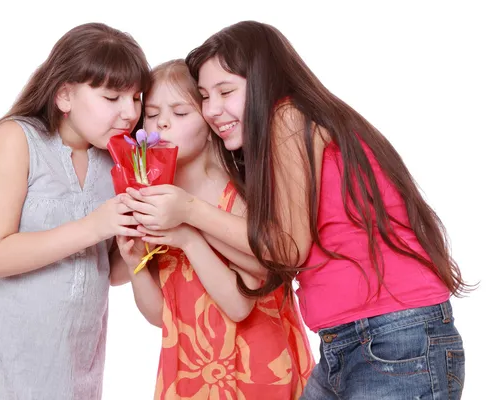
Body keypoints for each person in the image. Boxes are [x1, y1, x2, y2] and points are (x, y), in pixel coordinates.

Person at [123, 21, 468, 399]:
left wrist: (188, 210)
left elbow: (285, 249)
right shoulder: (278, 141)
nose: (213, 110)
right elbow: (271, 259)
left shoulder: (287, 117)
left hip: (393, 336)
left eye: (226, 91)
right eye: (205, 96)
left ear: (265, 82)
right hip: (351, 340)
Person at [0, 22, 149, 400]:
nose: (129, 113)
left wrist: (137, 246)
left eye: (136, 98)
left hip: (74, 380)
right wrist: (94, 225)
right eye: (112, 97)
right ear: (64, 96)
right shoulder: (16, 140)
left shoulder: (113, 161)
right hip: (0, 380)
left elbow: (103, 271)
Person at [117, 59, 314, 399]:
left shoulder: (237, 197)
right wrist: (134, 262)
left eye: (180, 113)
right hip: (190, 376)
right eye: (152, 113)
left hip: (256, 372)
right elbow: (163, 318)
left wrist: (189, 237)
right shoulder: (157, 202)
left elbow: (239, 306)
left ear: (209, 123)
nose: (162, 123)